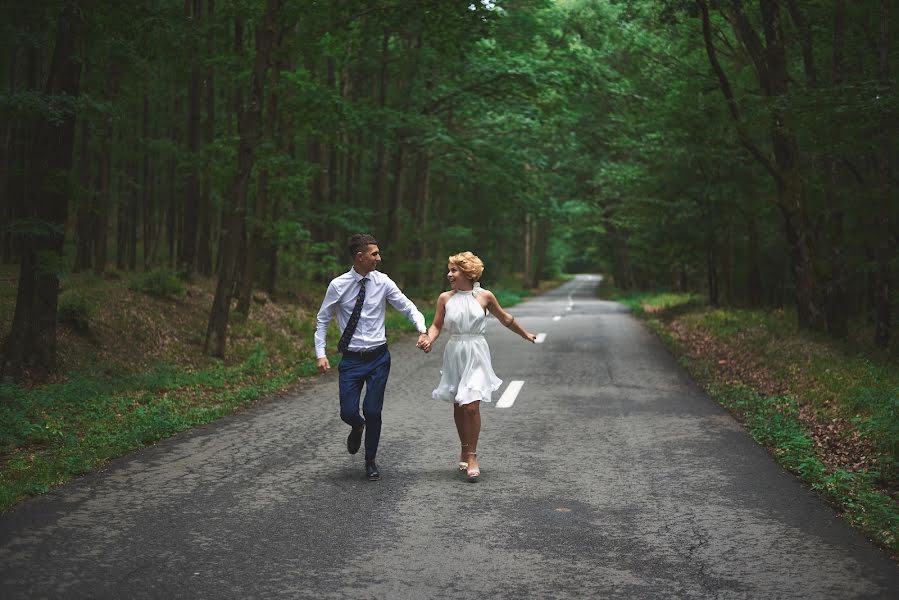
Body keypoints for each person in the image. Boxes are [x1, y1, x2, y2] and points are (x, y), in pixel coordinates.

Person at [315, 233, 430, 481]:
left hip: (378, 356)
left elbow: (407, 306)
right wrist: (320, 354)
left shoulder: (383, 282)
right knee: (348, 411)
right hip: (351, 359)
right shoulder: (338, 285)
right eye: (374, 254)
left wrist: (422, 329)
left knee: (373, 410)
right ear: (360, 256)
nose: (379, 258)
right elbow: (323, 319)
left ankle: (370, 460)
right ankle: (357, 426)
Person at [419, 251, 536, 482]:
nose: (449, 274)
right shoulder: (445, 298)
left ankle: (472, 455)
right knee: (459, 404)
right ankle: (464, 446)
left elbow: (505, 319)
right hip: (455, 351)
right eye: (449, 270)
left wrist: (524, 334)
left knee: (471, 406)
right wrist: (428, 339)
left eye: (454, 270)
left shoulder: (485, 297)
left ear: (468, 272)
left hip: (477, 351)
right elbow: (436, 325)